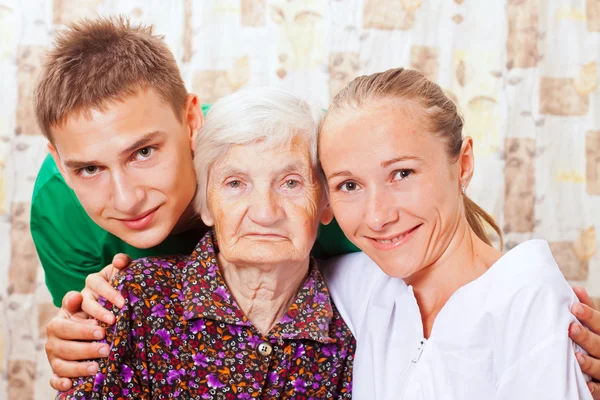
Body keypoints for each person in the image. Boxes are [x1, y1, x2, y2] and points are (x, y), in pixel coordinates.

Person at [40, 16, 600, 397]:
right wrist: (74, 335)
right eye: (234, 184)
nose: (124, 195)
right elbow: (80, 342)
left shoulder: (353, 272)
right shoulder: (78, 232)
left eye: (290, 183)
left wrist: (562, 341)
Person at [31, 16, 357, 390]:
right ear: (59, 162)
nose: (127, 199)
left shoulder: (313, 165)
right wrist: (75, 338)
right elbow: (85, 335)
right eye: (90, 169)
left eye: (144, 152)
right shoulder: (58, 206)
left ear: (190, 121)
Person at [318, 67, 596, 398]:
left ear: (463, 165)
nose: (378, 217)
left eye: (402, 173)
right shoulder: (360, 285)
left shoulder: (527, 295)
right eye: (348, 185)